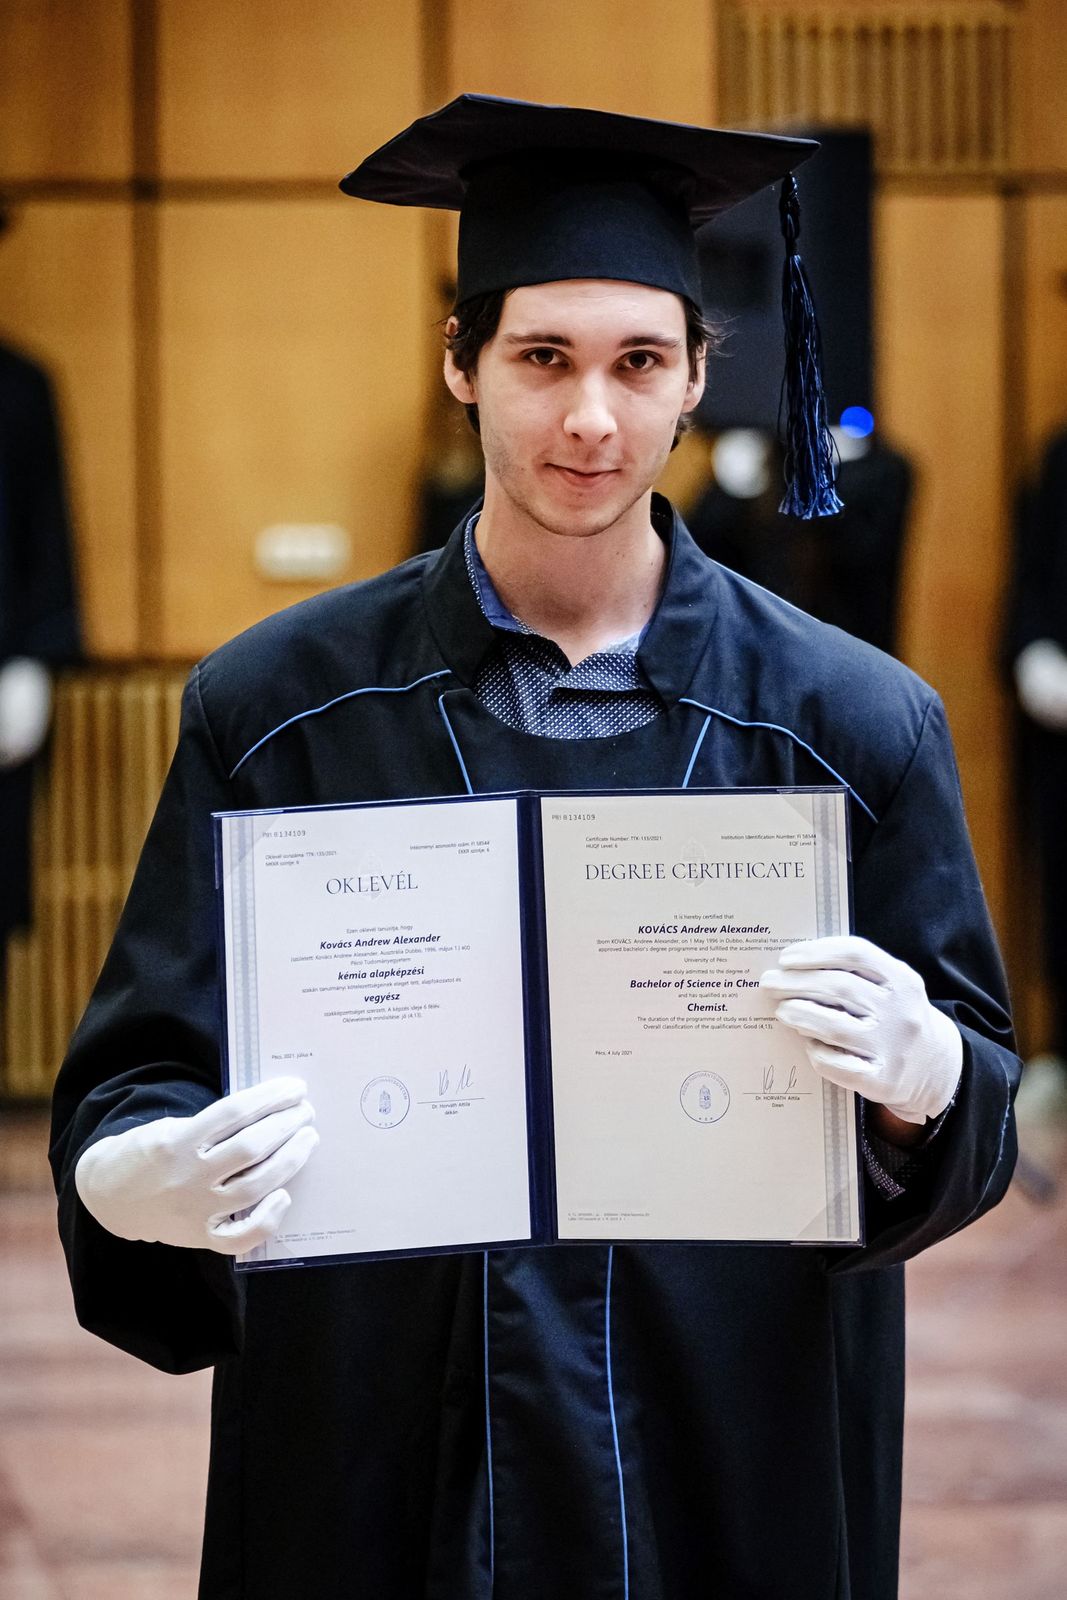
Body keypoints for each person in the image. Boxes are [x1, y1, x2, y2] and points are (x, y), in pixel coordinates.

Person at [50, 97, 1018, 1600]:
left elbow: (974, 1105)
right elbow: (146, 1063)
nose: (592, 421)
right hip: (378, 1398)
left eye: (639, 363)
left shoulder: (851, 722)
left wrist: (931, 1084)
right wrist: (142, 1176)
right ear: (461, 363)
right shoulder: (282, 709)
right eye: (543, 358)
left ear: (698, 375)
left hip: (726, 1408)